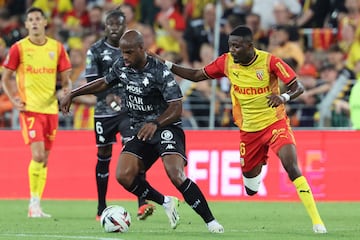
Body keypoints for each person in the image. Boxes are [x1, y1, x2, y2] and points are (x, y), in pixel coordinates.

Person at [155, 25, 327, 234]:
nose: (232, 50)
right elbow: (197, 75)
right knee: (251, 189)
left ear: (249, 46)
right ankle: (259, 163)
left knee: (291, 165)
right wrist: (166, 64)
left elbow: (297, 86)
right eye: (230, 46)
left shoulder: (270, 61)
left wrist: (283, 97)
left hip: (275, 123)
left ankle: (318, 222)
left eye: (236, 46)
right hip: (249, 132)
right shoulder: (226, 62)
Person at [60, 29, 224, 233]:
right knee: (124, 176)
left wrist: (156, 122)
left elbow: (176, 107)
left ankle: (211, 222)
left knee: (175, 174)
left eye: (129, 52)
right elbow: (103, 82)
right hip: (141, 131)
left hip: (166, 128)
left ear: (141, 49)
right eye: (122, 52)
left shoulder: (160, 71)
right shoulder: (121, 65)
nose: (124, 57)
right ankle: (165, 202)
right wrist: (73, 94)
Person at [84, 8, 156, 221]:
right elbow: (91, 81)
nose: (114, 28)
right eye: (111, 24)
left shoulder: (132, 49)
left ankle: (142, 203)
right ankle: (100, 206)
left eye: (118, 24)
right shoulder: (95, 50)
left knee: (133, 153)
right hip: (104, 114)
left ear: (126, 26)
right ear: (105, 26)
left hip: (129, 111)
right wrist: (106, 96)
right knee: (104, 156)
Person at [1, 7, 72, 217]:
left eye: (37, 19)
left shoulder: (57, 48)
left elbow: (66, 76)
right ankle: (33, 203)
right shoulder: (18, 48)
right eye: (30, 19)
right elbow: (5, 78)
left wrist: (66, 88)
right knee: (38, 155)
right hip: (30, 109)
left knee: (45, 159)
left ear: (44, 22)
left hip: (50, 109)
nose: (33, 22)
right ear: (26, 25)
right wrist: (14, 99)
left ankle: (36, 205)